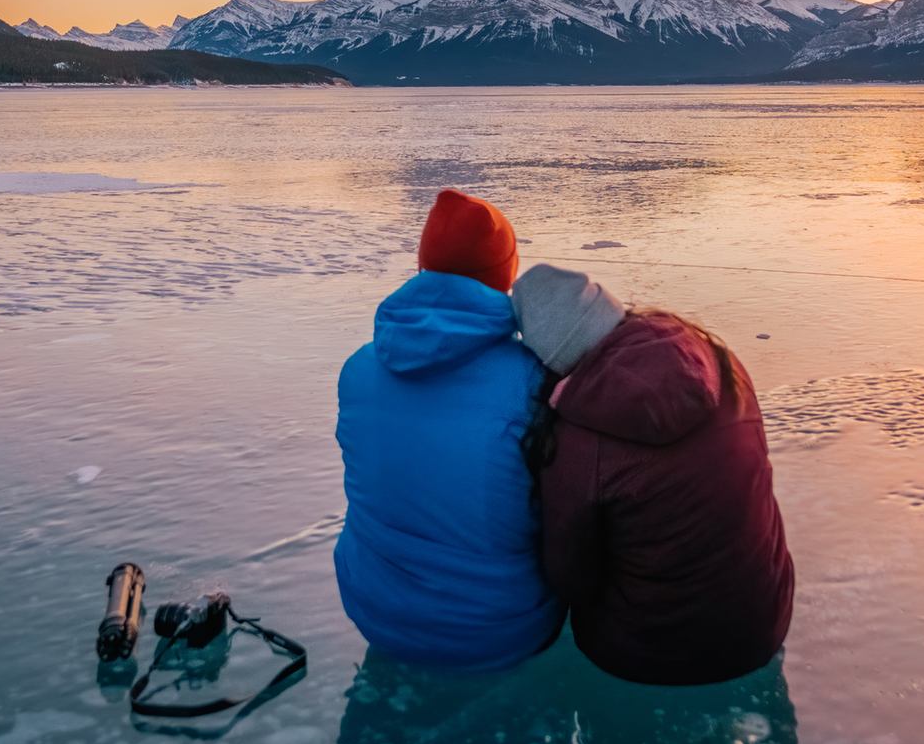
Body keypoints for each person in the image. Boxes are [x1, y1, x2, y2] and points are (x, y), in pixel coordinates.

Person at [515, 263, 793, 686]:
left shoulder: (580, 442)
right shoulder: (718, 362)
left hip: (646, 656)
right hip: (763, 623)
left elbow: (571, 578)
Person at [334, 188, 558, 671]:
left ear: (423, 267)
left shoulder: (357, 370)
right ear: (507, 275)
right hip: (500, 630)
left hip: (374, 610)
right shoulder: (535, 383)